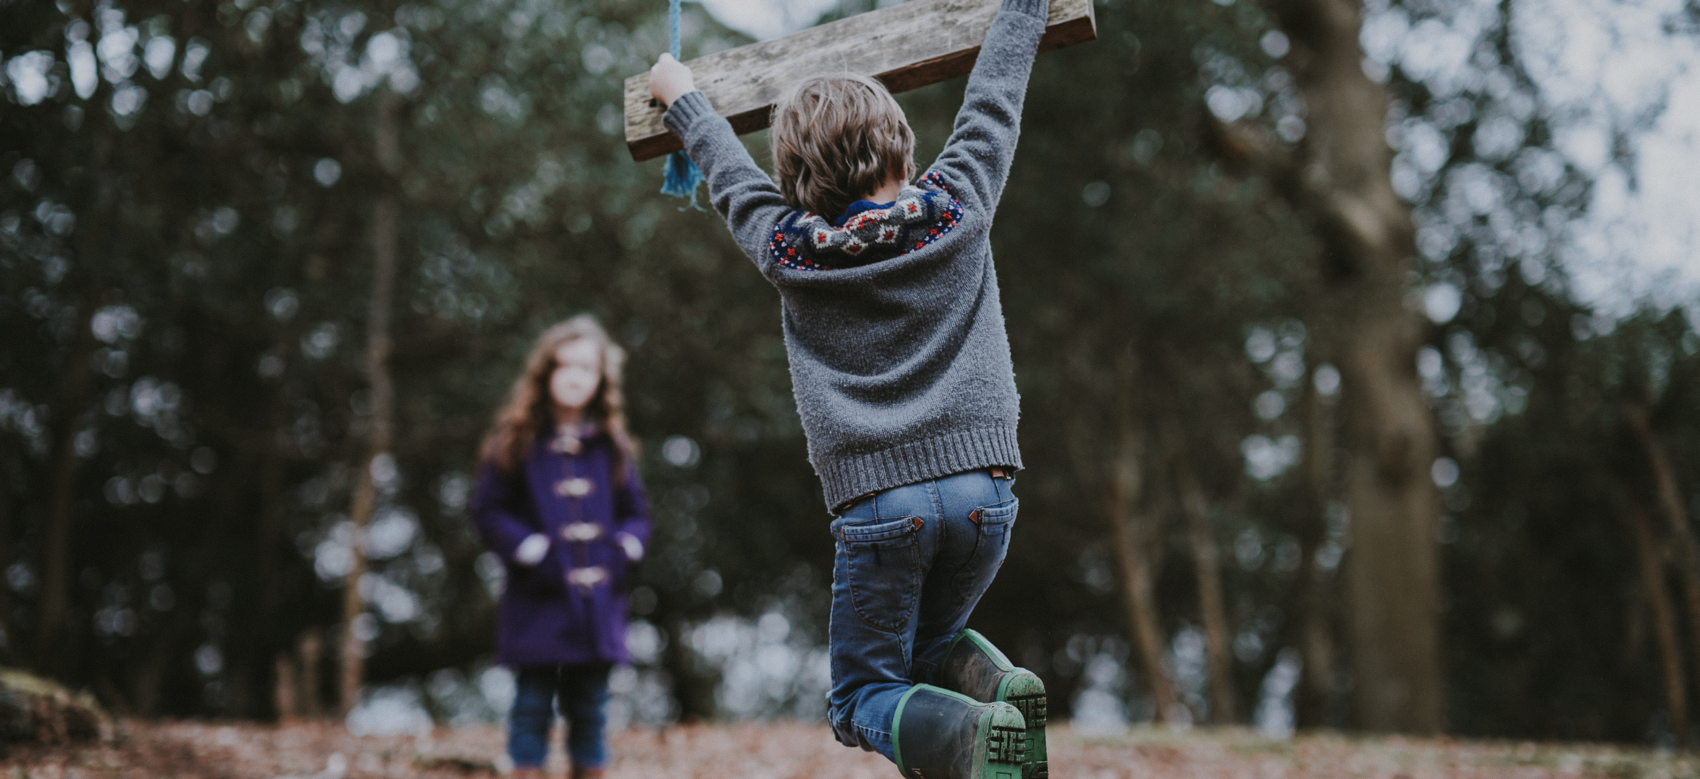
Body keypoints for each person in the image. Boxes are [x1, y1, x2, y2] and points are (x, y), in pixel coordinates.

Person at [646, 0, 1052, 776]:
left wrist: (682, 97)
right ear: (902, 141)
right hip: (985, 493)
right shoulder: (960, 202)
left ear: (795, 179)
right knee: (931, 650)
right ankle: (1002, 689)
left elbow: (727, 170)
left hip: (879, 504)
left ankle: (974, 736)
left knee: (860, 695)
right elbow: (995, 93)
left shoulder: (788, 247)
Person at [470, 316, 650, 779]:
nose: (574, 376)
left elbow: (636, 513)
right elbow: (487, 510)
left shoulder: (613, 447)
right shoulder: (514, 441)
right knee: (531, 703)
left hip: (598, 603)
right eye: (564, 365)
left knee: (590, 706)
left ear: (601, 380)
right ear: (544, 373)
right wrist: (530, 549)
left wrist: (625, 548)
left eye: (586, 368)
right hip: (537, 599)